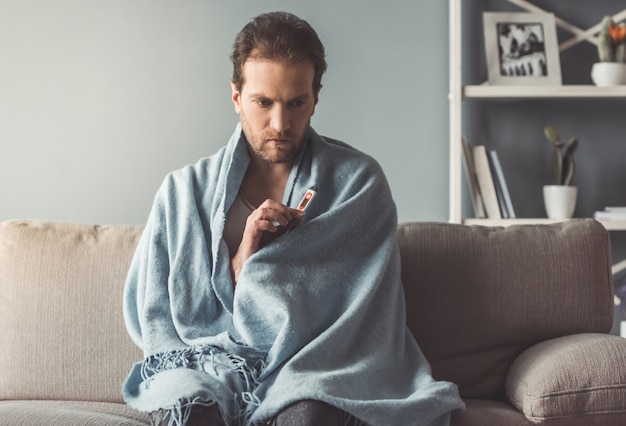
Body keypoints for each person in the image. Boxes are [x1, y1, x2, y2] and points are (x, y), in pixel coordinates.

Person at [122, 11, 464, 426]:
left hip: (316, 367)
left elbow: (360, 313)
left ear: (315, 98)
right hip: (209, 366)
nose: (280, 124)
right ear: (236, 97)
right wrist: (240, 261)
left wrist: (266, 267)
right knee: (193, 406)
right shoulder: (183, 192)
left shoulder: (359, 183)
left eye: (296, 103)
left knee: (307, 410)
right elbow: (161, 314)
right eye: (263, 103)